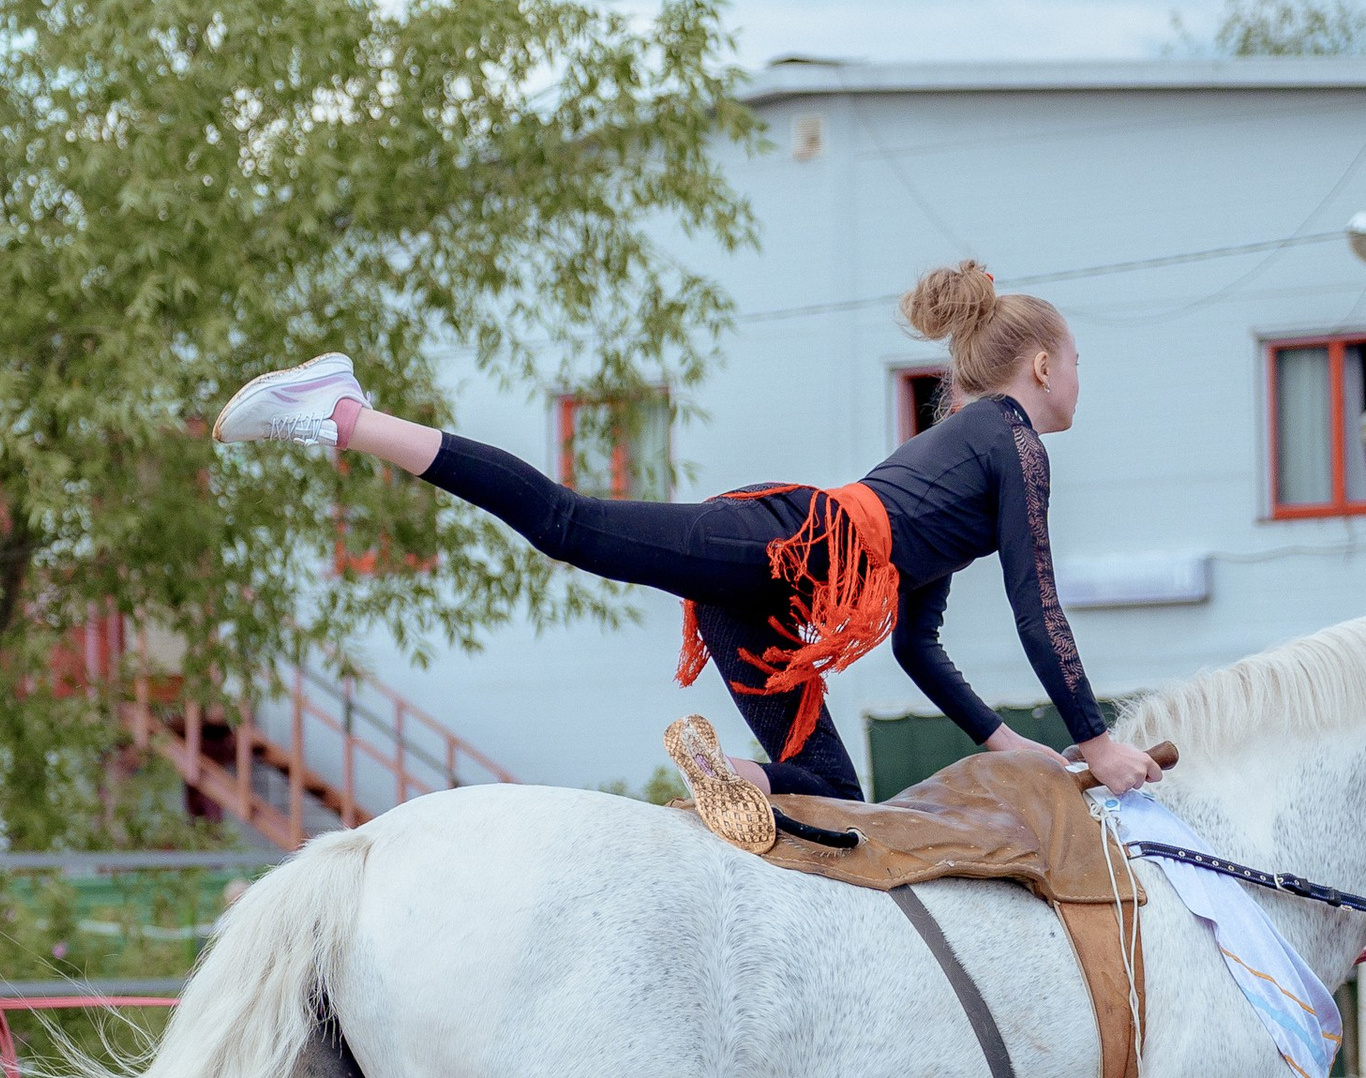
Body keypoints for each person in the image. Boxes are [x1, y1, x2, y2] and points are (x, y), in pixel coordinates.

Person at [212, 262, 1162, 823]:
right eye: (1078, 360)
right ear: (1042, 363)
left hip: (773, 602)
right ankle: (343, 413)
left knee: (834, 795)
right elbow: (1037, 605)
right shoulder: (1010, 437)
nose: (1082, 377)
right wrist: (1094, 740)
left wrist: (1013, 748)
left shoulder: (955, 451)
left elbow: (917, 642)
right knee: (568, 523)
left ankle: (720, 785)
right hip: (784, 546)